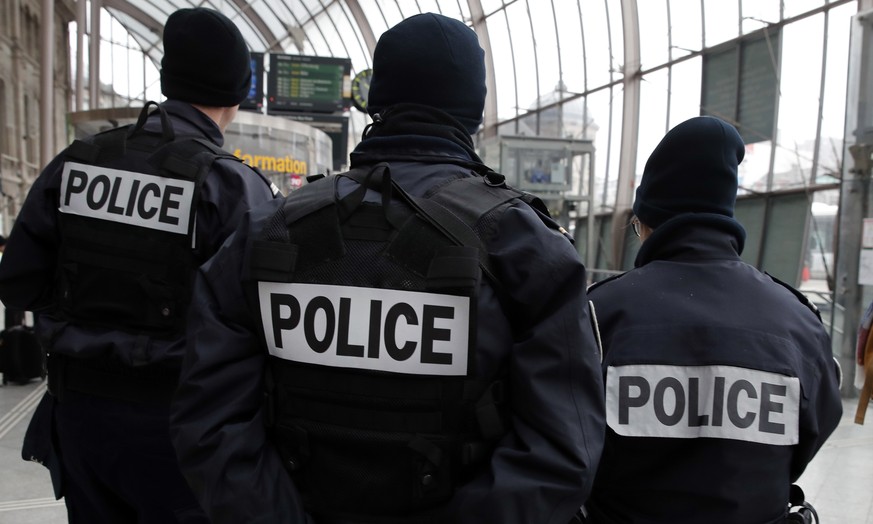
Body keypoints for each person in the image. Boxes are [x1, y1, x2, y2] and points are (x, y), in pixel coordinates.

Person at [170, 12, 606, 524]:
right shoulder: (527, 245)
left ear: (377, 100)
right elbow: (560, 449)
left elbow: (210, 420)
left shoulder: (266, 229)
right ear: (473, 110)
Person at [0, 7, 280, 523]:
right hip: (180, 424)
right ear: (236, 94)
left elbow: (18, 282)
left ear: (168, 77)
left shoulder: (78, 162)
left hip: (80, 418)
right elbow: (265, 322)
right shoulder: (233, 186)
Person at [584, 116, 843, 524]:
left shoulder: (601, 314)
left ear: (649, 220)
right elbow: (813, 430)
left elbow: (563, 436)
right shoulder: (798, 322)